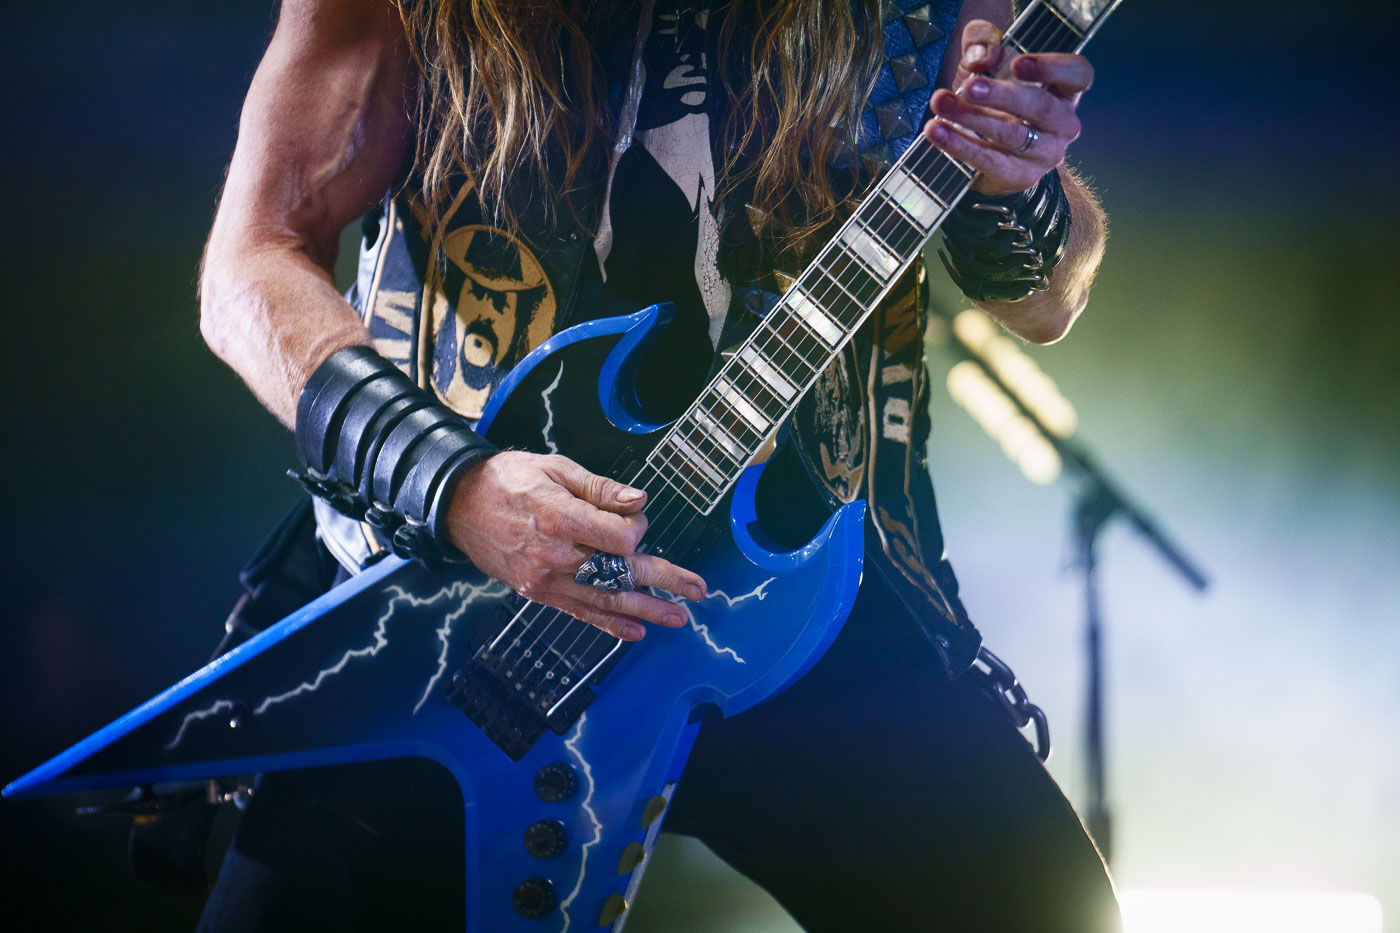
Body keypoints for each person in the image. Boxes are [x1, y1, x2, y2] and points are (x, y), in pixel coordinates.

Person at [194, 0, 1119, 929]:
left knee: (1047, 908)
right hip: (459, 608)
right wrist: (454, 482)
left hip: (806, 580)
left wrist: (1016, 186)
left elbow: (1049, 303)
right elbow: (252, 261)